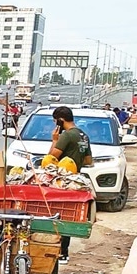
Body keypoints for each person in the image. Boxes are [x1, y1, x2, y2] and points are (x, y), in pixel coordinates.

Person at [48, 105, 92, 261]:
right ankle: (63, 252)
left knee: (56, 214)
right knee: (67, 215)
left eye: (55, 122)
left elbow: (51, 158)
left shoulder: (67, 135)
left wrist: (54, 141)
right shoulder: (83, 135)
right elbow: (88, 161)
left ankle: (55, 250)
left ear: (60, 120)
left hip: (62, 181)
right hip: (76, 180)